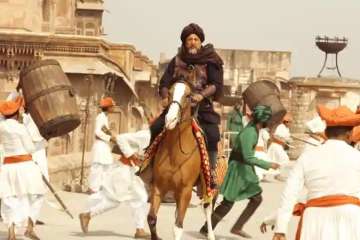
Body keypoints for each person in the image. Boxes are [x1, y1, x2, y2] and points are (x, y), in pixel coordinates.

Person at [146, 23, 224, 187]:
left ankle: (210, 174)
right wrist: (165, 96)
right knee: (155, 128)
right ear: (184, 42)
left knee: (213, 134)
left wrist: (201, 95)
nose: (193, 42)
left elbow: (216, 84)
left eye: (196, 39)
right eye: (189, 39)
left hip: (201, 107)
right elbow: (164, 82)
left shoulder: (211, 60)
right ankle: (149, 165)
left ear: (201, 41)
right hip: (177, 104)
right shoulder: (177, 60)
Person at [273, 105, 360, 240]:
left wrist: (281, 228)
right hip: (350, 218)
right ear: (349, 134)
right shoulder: (357, 157)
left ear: (326, 131)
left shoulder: (307, 156)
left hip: (314, 219)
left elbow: (290, 193)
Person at [199, 105, 280, 238]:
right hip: (238, 171)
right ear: (262, 120)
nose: (270, 122)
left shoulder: (254, 129)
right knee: (230, 202)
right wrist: (268, 164)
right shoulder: (250, 133)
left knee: (249, 199)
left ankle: (218, 227)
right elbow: (248, 157)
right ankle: (214, 228)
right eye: (268, 119)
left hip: (244, 170)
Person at [79, 130, 150, 239]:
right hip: (123, 171)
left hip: (133, 173)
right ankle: (87, 215)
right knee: (114, 200)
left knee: (141, 198)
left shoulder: (161, 139)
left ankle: (139, 230)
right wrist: (131, 155)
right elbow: (121, 138)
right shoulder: (146, 134)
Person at [0, 97, 46, 240]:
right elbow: (30, 148)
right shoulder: (20, 128)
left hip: (8, 167)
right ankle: (30, 228)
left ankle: (11, 233)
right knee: (37, 195)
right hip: (25, 167)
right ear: (15, 114)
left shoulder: (1, 127)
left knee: (9, 198)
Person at [88, 97, 117, 193]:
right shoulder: (100, 117)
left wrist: (112, 136)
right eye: (112, 106)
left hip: (104, 146)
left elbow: (104, 130)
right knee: (97, 168)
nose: (114, 108)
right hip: (100, 145)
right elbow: (97, 132)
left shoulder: (105, 117)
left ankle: (102, 188)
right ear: (108, 107)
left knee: (106, 167)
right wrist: (110, 138)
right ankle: (93, 188)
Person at [267, 113, 292, 181]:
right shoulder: (281, 127)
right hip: (276, 146)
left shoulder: (287, 129)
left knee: (277, 160)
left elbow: (286, 138)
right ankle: (277, 174)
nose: (291, 124)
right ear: (286, 122)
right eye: (290, 122)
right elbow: (275, 136)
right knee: (284, 159)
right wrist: (282, 141)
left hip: (280, 147)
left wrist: (288, 141)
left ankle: (277, 174)